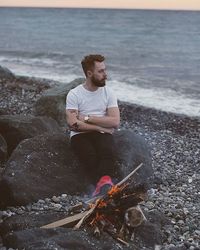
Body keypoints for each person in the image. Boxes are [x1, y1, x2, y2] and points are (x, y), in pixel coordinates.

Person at [66, 54, 120, 195]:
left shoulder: (109, 92)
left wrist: (87, 118)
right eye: (100, 71)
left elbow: (115, 121)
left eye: (105, 70)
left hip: (100, 133)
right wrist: (100, 126)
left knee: (108, 153)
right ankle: (102, 189)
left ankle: (101, 188)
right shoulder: (74, 94)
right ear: (89, 73)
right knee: (90, 156)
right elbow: (73, 124)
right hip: (80, 135)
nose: (105, 75)